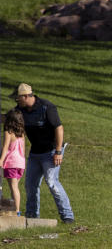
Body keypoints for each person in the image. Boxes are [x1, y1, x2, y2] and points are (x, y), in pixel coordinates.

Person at [12, 84, 75, 223]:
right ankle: (32, 216)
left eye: (18, 98)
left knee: (52, 182)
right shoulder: (20, 110)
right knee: (30, 185)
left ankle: (67, 216)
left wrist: (58, 151)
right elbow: (9, 119)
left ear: (26, 96)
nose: (16, 101)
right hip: (35, 153)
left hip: (51, 151)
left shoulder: (47, 107)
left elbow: (59, 128)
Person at [0, 110, 26, 216]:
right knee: (13, 187)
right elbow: (23, 149)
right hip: (21, 163)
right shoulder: (22, 133)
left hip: (12, 163)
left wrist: (1, 160)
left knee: (14, 187)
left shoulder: (8, 132)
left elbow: (5, 147)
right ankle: (15, 208)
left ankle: (17, 210)